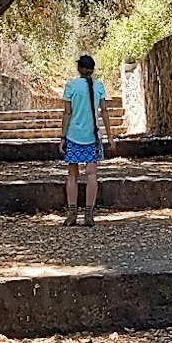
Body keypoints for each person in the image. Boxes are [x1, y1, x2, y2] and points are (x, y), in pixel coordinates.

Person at [59, 54, 115, 227]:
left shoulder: (71, 86)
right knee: (92, 175)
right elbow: (104, 112)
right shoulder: (99, 86)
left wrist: (62, 137)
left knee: (72, 176)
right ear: (92, 69)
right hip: (93, 136)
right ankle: (89, 215)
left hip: (74, 135)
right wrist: (110, 136)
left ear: (79, 69)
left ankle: (72, 214)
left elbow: (67, 113)